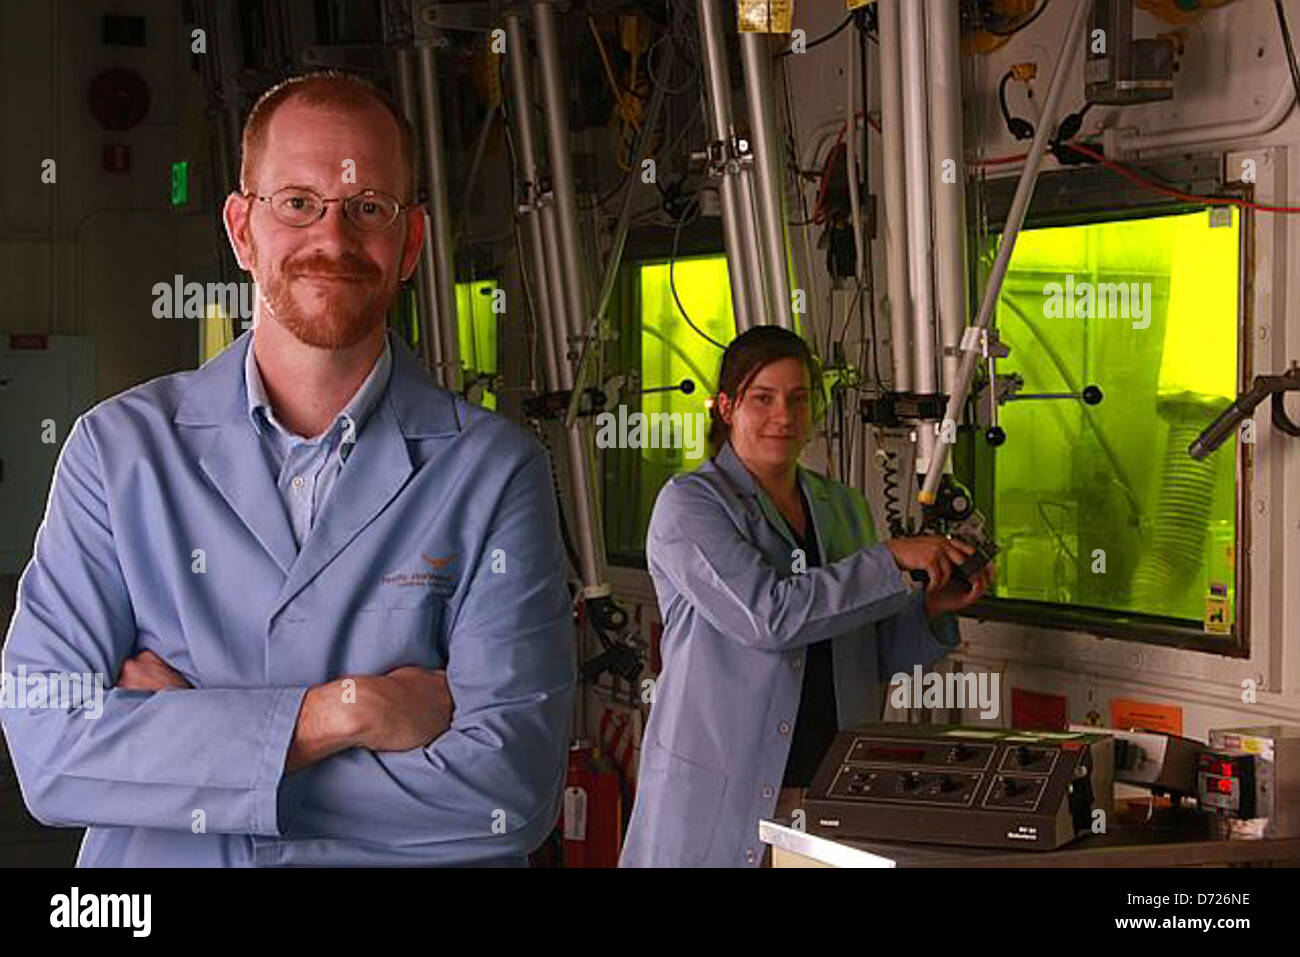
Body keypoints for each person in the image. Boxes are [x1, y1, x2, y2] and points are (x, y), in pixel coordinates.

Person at [0, 71, 574, 866]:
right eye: (297, 202)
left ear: (409, 243)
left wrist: (196, 754)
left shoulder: (495, 472)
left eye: (368, 207)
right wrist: (338, 715)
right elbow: (50, 749)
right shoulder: (117, 452)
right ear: (242, 230)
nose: (332, 240)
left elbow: (508, 795)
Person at [619, 325, 993, 868]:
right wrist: (889, 558)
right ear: (726, 407)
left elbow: (866, 652)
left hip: (826, 790)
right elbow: (770, 617)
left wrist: (930, 609)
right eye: (762, 398)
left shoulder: (842, 507)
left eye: (799, 399)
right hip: (723, 796)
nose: (784, 416)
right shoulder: (690, 506)